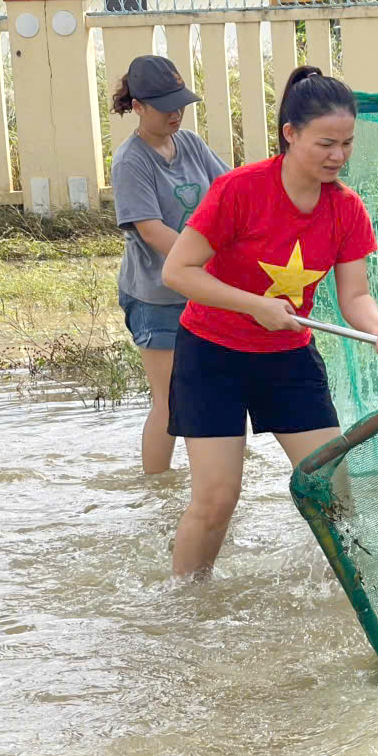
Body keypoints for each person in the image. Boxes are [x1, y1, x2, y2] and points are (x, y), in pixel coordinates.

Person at [161, 65, 378, 578]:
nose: (338, 156)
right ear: (290, 134)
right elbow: (177, 271)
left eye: (346, 143)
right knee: (217, 499)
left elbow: (356, 296)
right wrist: (254, 304)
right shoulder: (239, 191)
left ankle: (345, 597)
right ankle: (184, 609)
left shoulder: (347, 209)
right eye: (325, 144)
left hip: (288, 358)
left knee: (334, 491)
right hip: (212, 357)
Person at [110, 55, 229, 475]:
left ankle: (218, 474)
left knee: (213, 387)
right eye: (165, 106)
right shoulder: (131, 162)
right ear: (139, 106)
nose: (176, 113)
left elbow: (228, 192)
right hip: (157, 296)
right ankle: (156, 490)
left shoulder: (191, 144)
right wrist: (200, 266)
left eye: (180, 103)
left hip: (200, 288)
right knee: (169, 396)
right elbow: (151, 230)